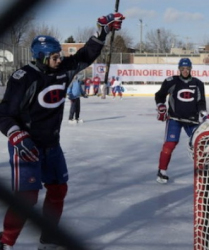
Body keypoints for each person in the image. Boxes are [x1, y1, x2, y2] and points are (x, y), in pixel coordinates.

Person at [0, 12, 124, 249]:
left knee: (58, 190)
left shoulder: (63, 70)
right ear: (40, 57)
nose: (59, 59)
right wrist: (17, 135)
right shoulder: (23, 78)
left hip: (52, 146)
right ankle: (6, 241)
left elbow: (85, 55)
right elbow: (4, 114)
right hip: (26, 146)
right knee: (27, 197)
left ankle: (48, 238)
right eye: (54, 57)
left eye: (60, 55)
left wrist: (101, 32)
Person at [155, 58, 209, 184]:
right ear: (179, 69)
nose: (185, 71)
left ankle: (205, 172)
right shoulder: (171, 81)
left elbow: (201, 101)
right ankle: (162, 171)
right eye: (182, 69)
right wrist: (161, 106)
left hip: (192, 120)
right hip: (174, 118)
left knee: (200, 144)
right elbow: (159, 95)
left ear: (191, 69)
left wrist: (204, 113)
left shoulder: (198, 83)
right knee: (170, 144)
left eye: (187, 69)